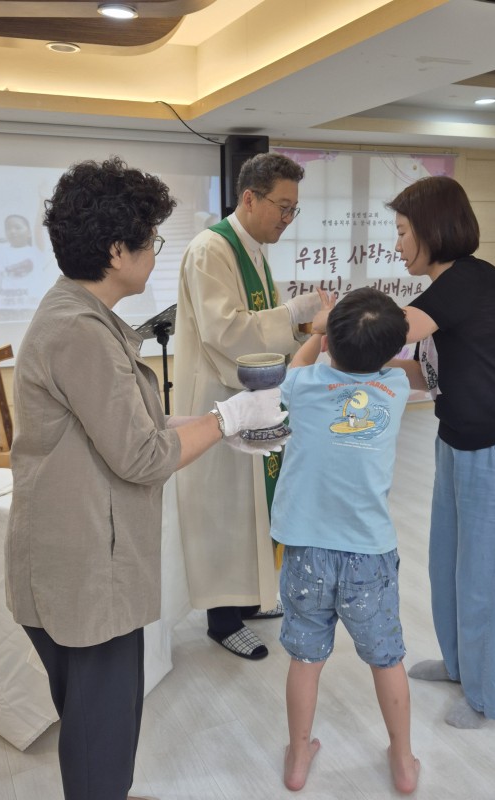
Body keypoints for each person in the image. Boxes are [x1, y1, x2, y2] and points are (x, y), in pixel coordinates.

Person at [4, 157, 287, 800]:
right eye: (151, 241)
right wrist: (229, 415)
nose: (156, 253)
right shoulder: (80, 332)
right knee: (101, 732)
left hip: (77, 562)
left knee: (95, 722)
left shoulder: (82, 317)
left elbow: (136, 426)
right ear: (115, 250)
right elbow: (143, 456)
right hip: (85, 572)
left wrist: (218, 424)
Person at [384, 175, 495, 729]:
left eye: (404, 231)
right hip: (458, 441)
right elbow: (427, 368)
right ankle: (460, 667)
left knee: (490, 579)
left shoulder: (469, 281)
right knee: (451, 566)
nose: (399, 243)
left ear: (432, 229)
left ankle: (487, 697)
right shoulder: (444, 292)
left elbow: (392, 331)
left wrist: (326, 327)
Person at [271, 287, 420, 795]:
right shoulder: (395, 388)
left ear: (330, 342)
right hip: (369, 556)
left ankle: (297, 757)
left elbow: (293, 368)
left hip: (306, 551)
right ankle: (402, 759)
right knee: (386, 658)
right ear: (390, 352)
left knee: (305, 659)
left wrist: (315, 332)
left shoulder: (306, 385)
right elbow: (390, 351)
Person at [174, 152, 322, 659]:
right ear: (249, 198)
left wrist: (299, 325)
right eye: (283, 206)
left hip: (252, 397)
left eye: (293, 209)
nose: (287, 217)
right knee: (224, 511)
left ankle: (252, 595)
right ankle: (222, 618)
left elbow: (260, 320)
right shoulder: (211, 249)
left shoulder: (253, 248)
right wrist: (292, 314)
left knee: (254, 507)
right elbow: (226, 330)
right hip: (218, 402)